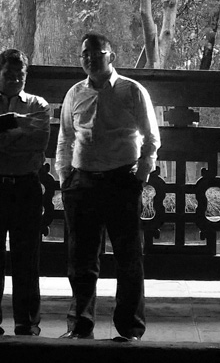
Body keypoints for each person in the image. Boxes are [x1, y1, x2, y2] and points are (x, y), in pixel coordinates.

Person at [55, 32, 161, 342]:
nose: (90, 58)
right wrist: (65, 177)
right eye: (84, 54)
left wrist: (139, 176)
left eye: (96, 53)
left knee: (128, 258)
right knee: (81, 259)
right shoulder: (74, 93)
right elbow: (65, 137)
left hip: (121, 182)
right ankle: (79, 326)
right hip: (82, 183)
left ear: (110, 56)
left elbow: (151, 138)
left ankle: (129, 329)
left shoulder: (131, 90)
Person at [0, 48, 51, 336]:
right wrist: (16, 127)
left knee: (26, 258)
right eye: (9, 73)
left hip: (26, 186)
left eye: (21, 74)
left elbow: (39, 141)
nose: (16, 79)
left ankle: (27, 322)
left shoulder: (39, 105)